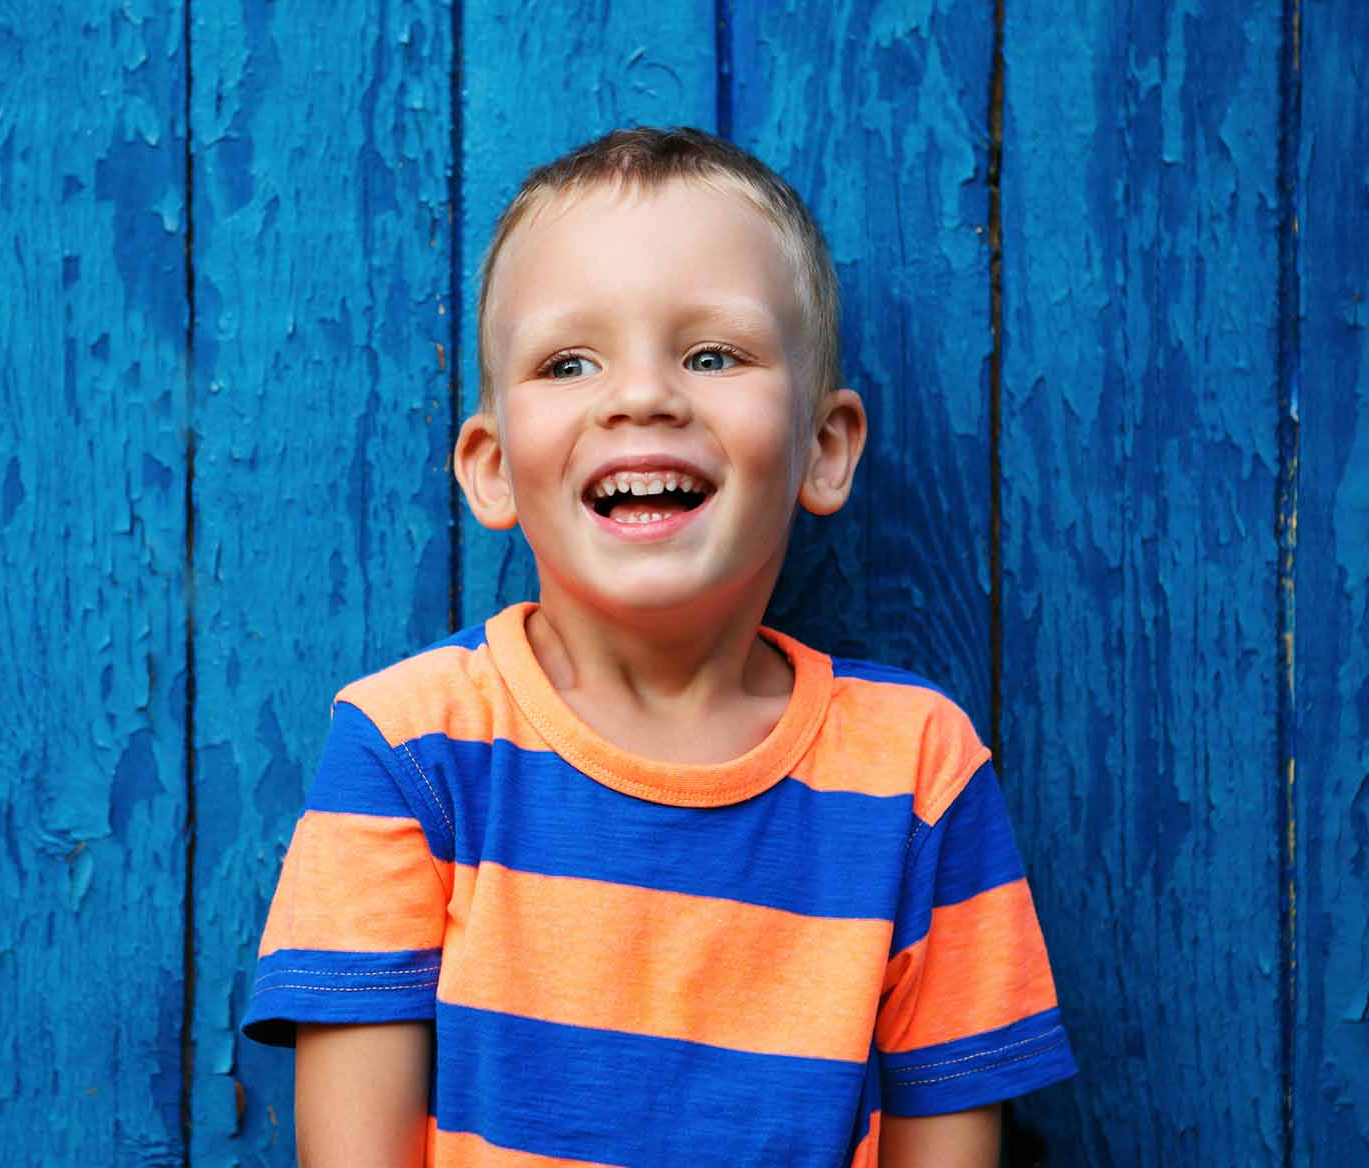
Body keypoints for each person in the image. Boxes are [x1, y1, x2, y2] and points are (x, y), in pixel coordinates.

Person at [241, 126, 1076, 1167]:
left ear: (823, 449)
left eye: (712, 354)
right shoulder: (412, 747)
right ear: (492, 467)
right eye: (569, 361)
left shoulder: (918, 771)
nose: (642, 395)